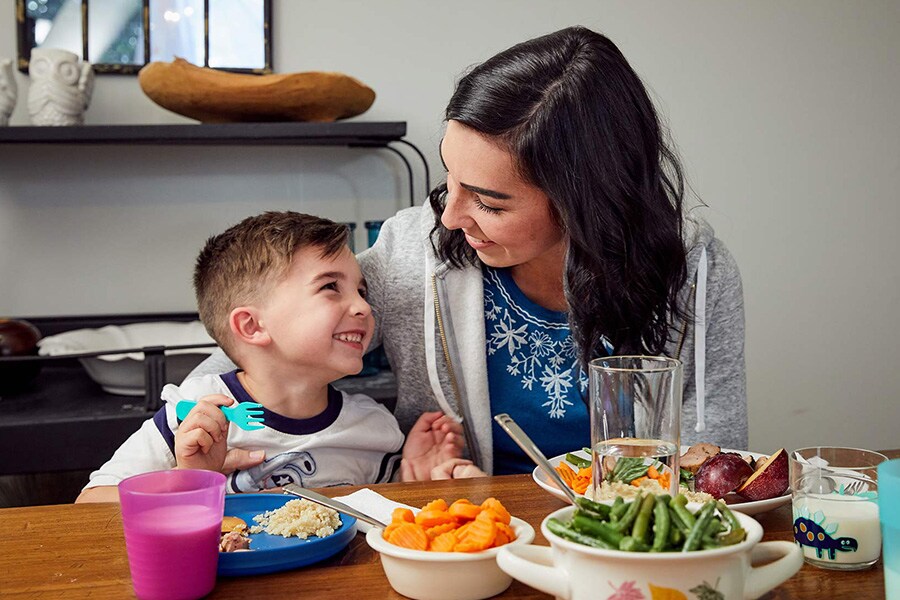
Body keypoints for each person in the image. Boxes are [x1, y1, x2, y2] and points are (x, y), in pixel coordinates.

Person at [191, 25, 747, 477]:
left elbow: (713, 461)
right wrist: (196, 419)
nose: (451, 217)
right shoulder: (414, 248)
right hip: (466, 533)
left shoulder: (693, 270)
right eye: (450, 176)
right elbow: (268, 343)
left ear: (588, 202)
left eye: (489, 202)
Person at [76, 212, 464, 503]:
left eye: (361, 291)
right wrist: (189, 478)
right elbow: (90, 504)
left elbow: (381, 512)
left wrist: (413, 474)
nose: (363, 307)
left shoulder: (372, 426)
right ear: (251, 326)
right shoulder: (195, 414)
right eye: (331, 287)